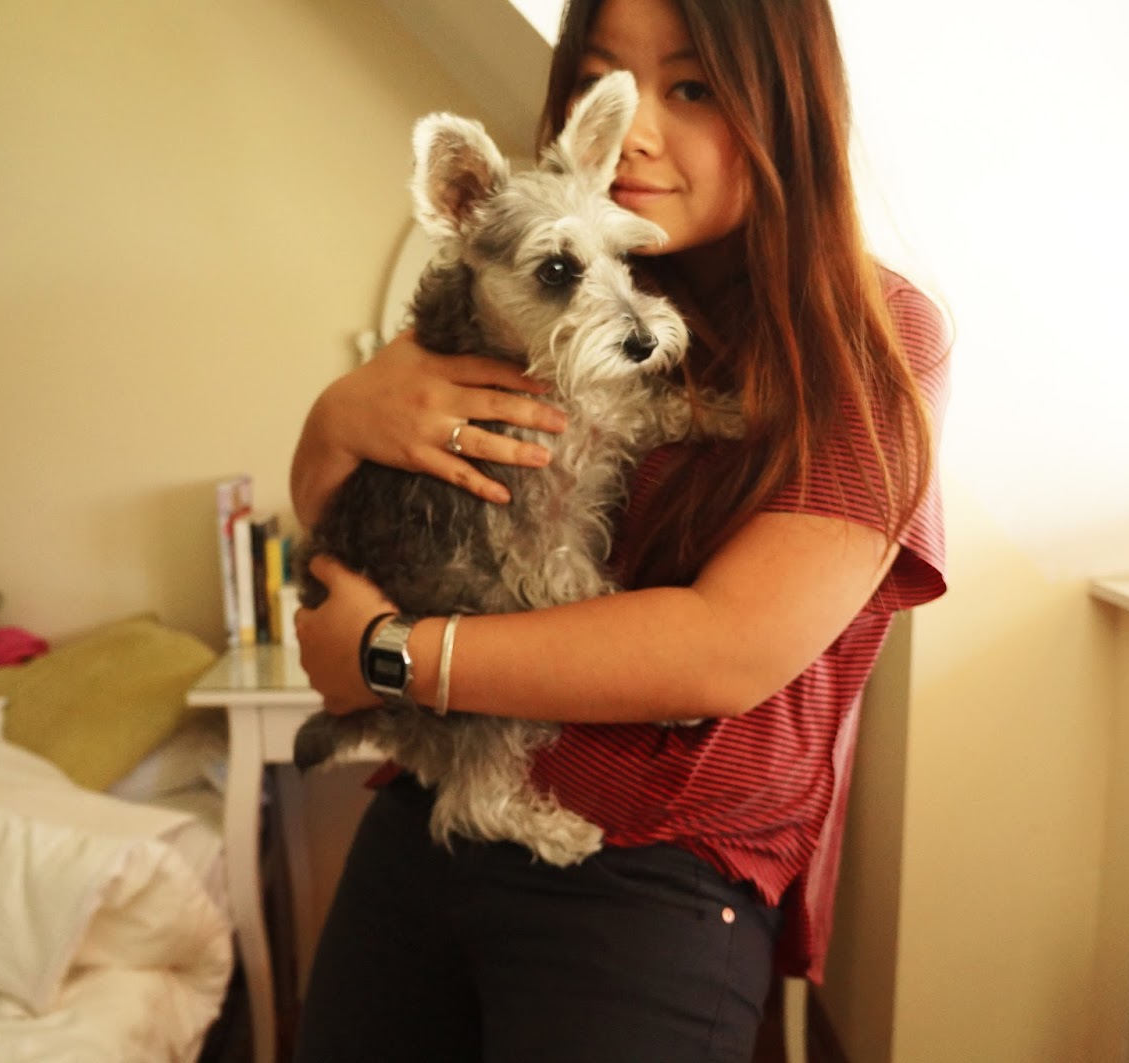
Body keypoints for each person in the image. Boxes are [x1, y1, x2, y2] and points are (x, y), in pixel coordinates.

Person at [289, 0, 949, 1058]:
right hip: (435, 809)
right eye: (607, 79)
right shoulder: (516, 287)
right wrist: (334, 419)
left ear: (785, 109)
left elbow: (723, 650)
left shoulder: (870, 337)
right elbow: (341, 505)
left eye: (690, 87)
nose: (633, 127)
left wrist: (390, 655)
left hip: (657, 868)